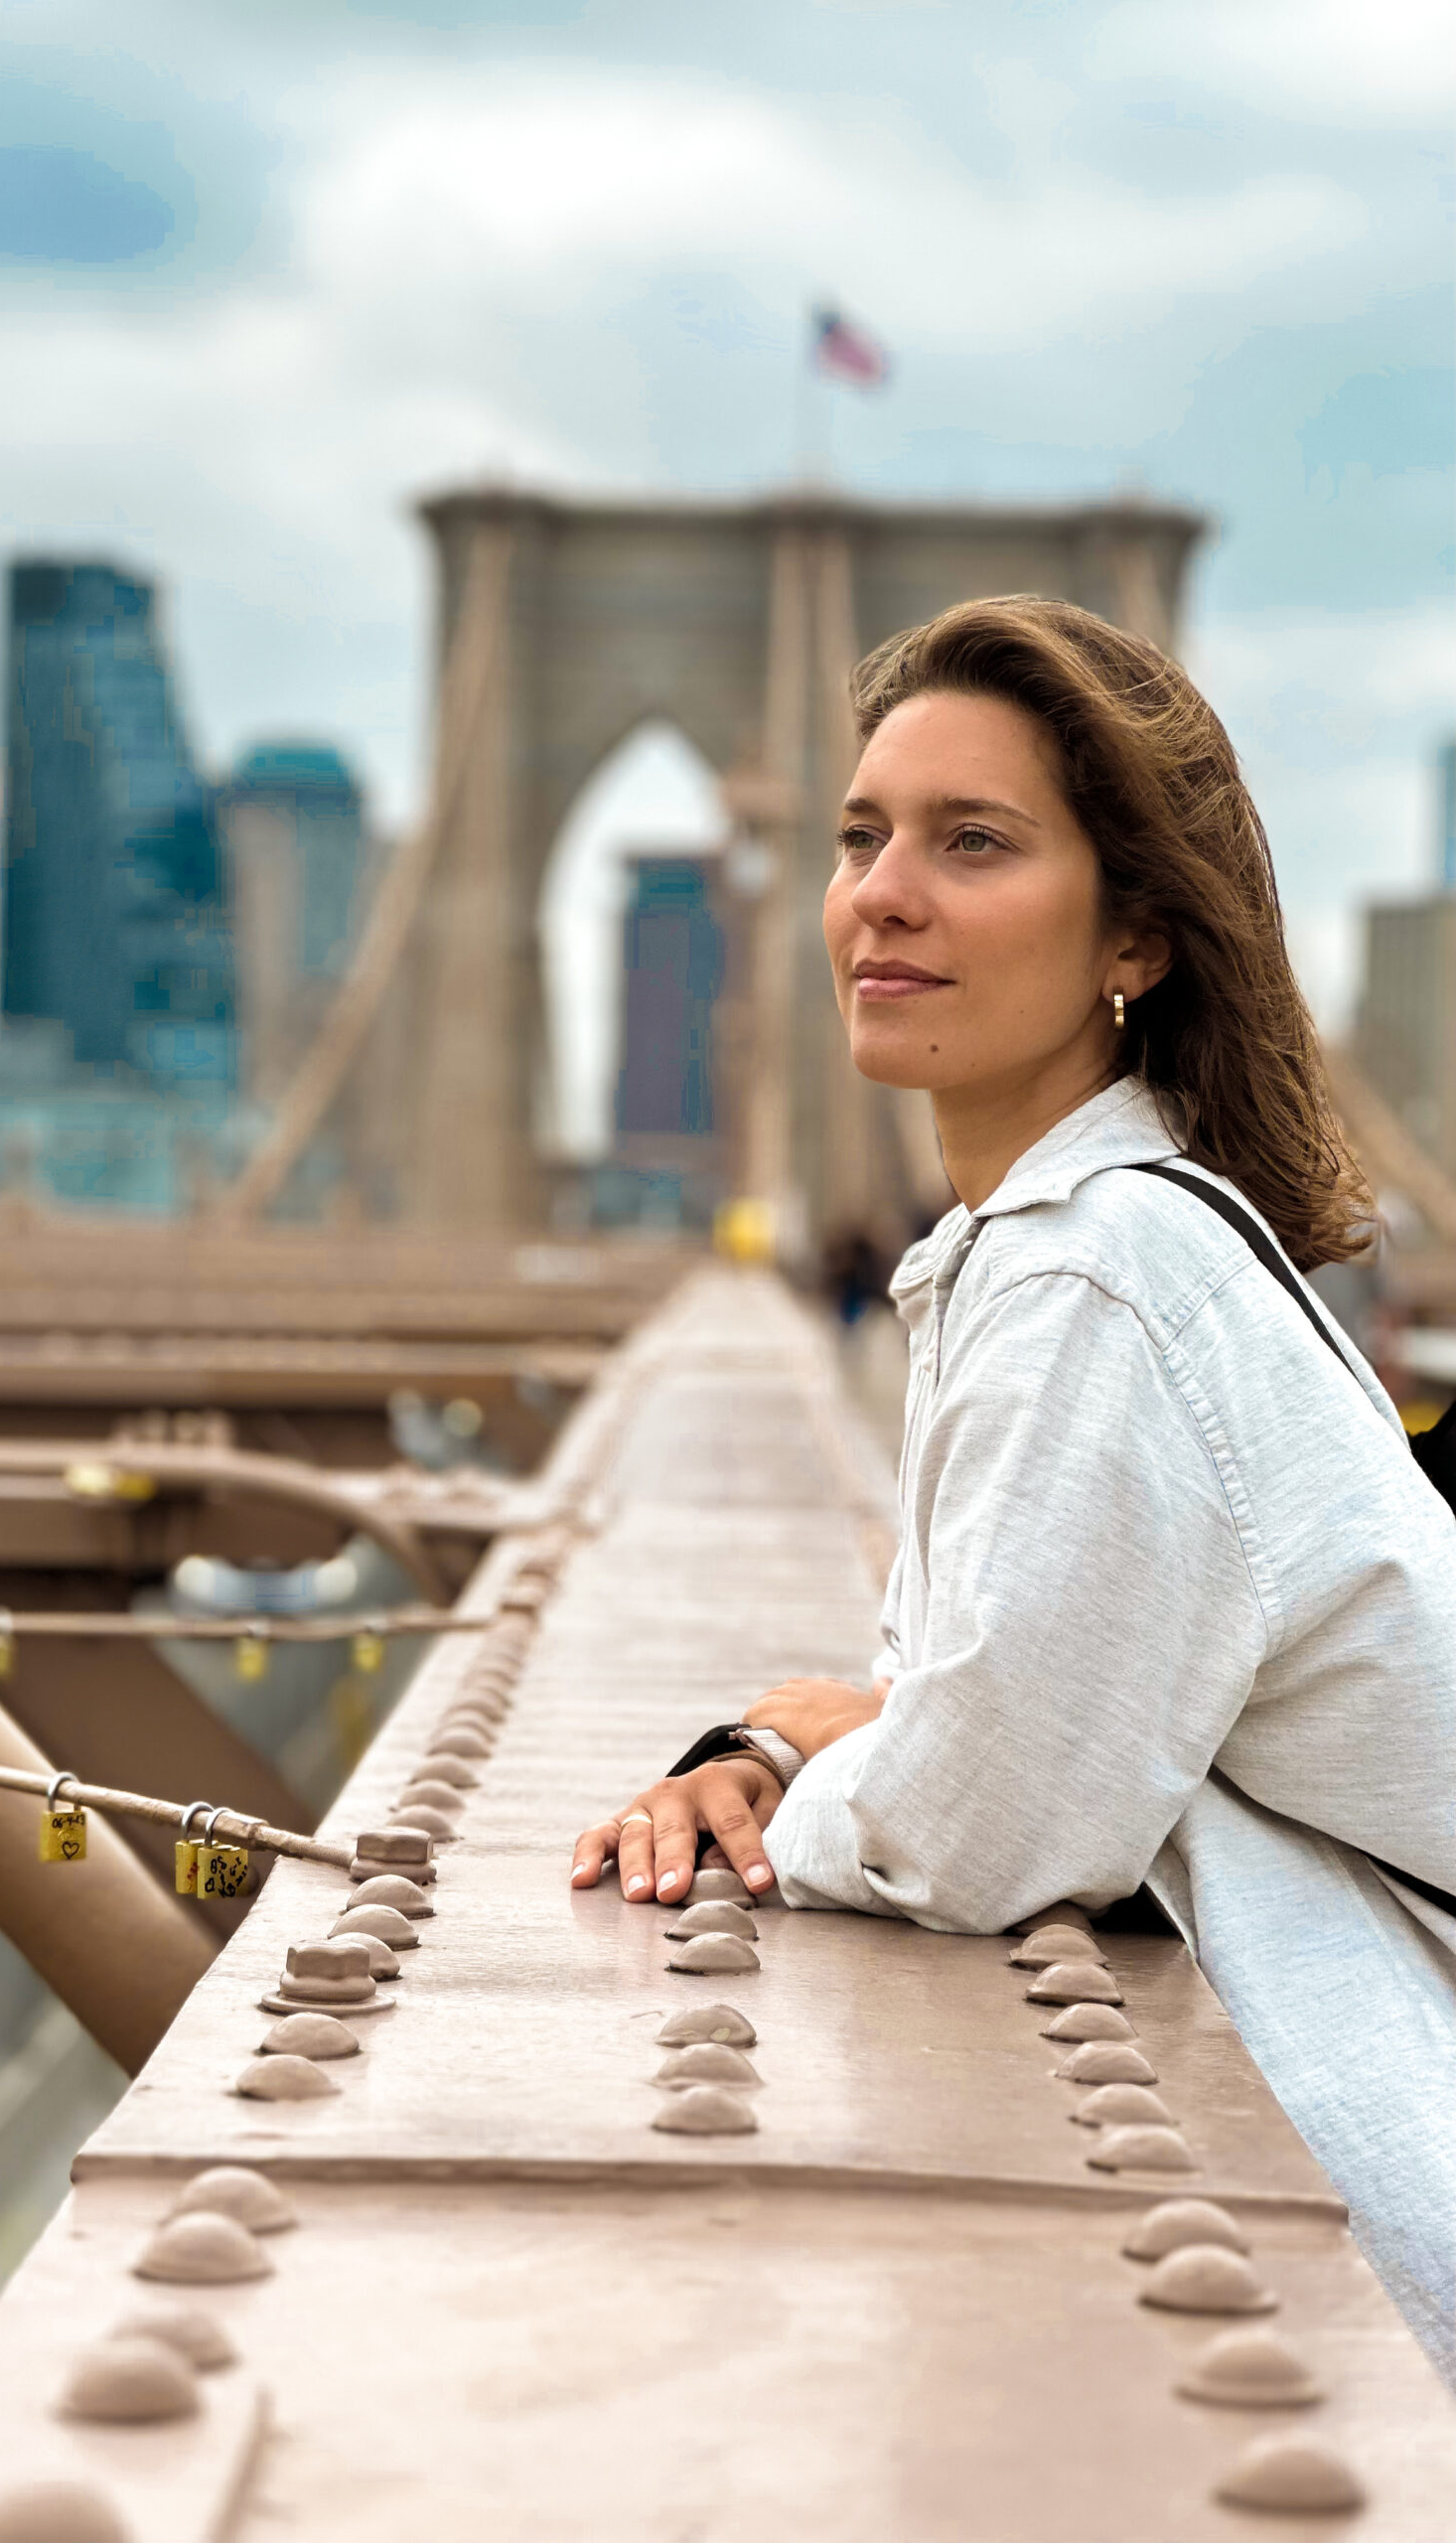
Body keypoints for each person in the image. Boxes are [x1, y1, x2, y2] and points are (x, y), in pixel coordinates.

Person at [570, 596, 1456, 2379]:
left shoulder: (1095, 1277)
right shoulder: (1065, 1246)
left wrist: (807, 1789)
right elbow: (987, 1712)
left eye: (972, 844)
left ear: (1136, 931)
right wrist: (822, 1738)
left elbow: (983, 1818)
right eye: (859, 836)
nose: (881, 894)